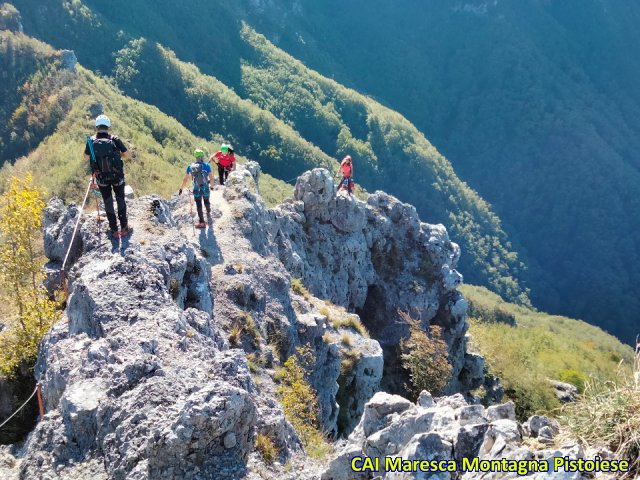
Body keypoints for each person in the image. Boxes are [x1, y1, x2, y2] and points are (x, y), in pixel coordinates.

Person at [84, 114, 132, 238]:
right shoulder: (115, 139)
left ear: (97, 127)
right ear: (108, 127)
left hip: (102, 179)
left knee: (108, 202)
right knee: (120, 200)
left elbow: (85, 157)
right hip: (117, 177)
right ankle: (124, 228)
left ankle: (114, 230)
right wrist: (117, 155)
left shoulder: (91, 142)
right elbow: (127, 155)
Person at [179, 149, 212, 228]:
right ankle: (208, 211)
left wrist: (181, 188)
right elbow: (211, 177)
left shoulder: (190, 167)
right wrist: (212, 186)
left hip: (196, 188)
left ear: (196, 157)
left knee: (198, 204)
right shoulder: (207, 165)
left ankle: (202, 222)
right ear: (202, 157)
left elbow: (185, 179)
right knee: (206, 200)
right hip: (205, 187)